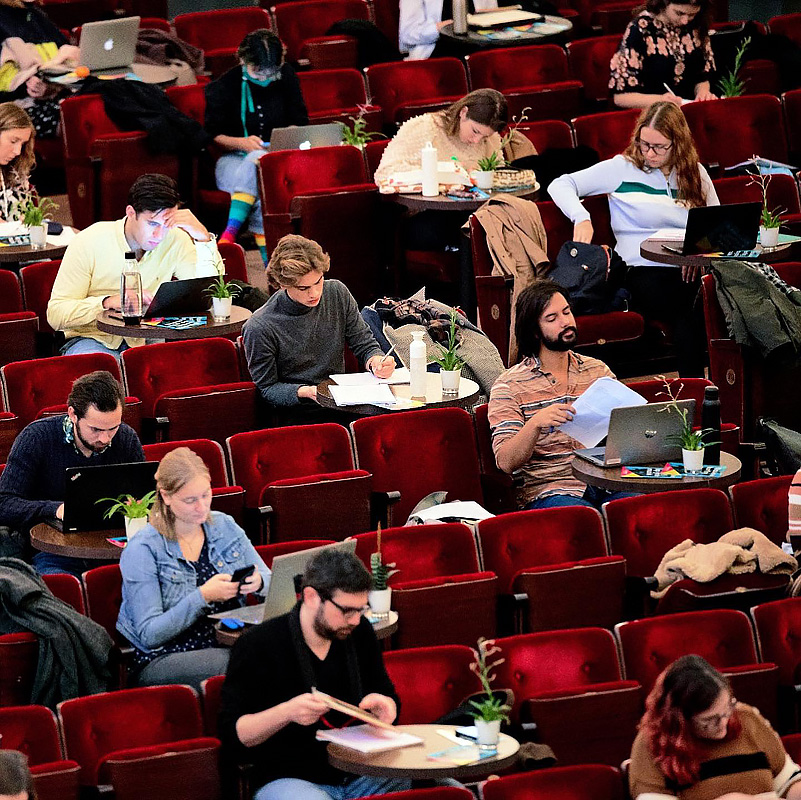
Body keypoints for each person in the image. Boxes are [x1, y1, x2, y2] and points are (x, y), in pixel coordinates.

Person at [219, 547, 411, 800]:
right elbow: (236, 736)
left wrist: (387, 708)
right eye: (347, 610)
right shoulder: (257, 645)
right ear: (311, 597)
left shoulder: (360, 631)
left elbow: (385, 693)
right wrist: (287, 712)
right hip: (290, 776)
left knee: (417, 778)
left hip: (359, 769)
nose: (355, 620)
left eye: (361, 609)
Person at [547, 100, 718, 376]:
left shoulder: (695, 174)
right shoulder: (622, 168)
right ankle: (697, 387)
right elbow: (561, 184)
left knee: (711, 293)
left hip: (687, 268)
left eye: (659, 147)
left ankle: (714, 385)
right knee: (688, 301)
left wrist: (698, 254)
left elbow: (715, 225)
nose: (649, 152)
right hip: (640, 268)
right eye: (644, 144)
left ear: (678, 144)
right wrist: (581, 216)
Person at [117, 447, 270, 693]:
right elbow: (149, 634)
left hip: (227, 638)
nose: (201, 507)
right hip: (165, 655)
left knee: (286, 648)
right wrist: (203, 597)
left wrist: (259, 582)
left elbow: (271, 581)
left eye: (206, 495)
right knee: (252, 661)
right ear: (166, 496)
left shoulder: (224, 525)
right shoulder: (143, 548)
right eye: (190, 500)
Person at [488, 280, 637, 510]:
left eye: (567, 312)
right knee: (581, 516)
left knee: (642, 506)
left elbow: (629, 433)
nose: (566, 322)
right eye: (552, 318)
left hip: (606, 479)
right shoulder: (508, 385)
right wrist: (535, 425)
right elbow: (506, 462)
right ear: (534, 331)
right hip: (550, 489)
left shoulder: (598, 371)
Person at [47, 173, 221, 359]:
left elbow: (212, 297)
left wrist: (203, 238)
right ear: (130, 212)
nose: (159, 235)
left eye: (166, 225)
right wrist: (106, 302)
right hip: (91, 337)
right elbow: (56, 315)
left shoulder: (176, 239)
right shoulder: (89, 240)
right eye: (152, 223)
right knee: (106, 371)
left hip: (148, 337)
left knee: (190, 366)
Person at [0, 370, 144, 576]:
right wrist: (55, 509)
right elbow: (4, 502)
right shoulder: (36, 438)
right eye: (95, 429)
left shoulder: (126, 438)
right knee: (58, 584)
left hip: (115, 548)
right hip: (54, 552)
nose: (105, 439)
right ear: (73, 415)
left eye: (113, 428)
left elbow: (143, 497)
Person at [242, 234, 394, 426]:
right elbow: (268, 389)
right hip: (298, 412)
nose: (314, 293)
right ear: (283, 284)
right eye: (303, 288)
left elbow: (364, 344)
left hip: (343, 403)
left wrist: (376, 361)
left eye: (319, 281)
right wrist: (307, 391)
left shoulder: (337, 292)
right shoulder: (259, 326)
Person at [629, 654, 801, 800]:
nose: (723, 723)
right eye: (709, 720)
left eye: (728, 709)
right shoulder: (652, 743)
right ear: (680, 720)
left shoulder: (747, 718)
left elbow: (788, 781)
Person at [204, 29, 308, 266]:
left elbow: (300, 121)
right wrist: (241, 142)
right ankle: (268, 262)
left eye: (271, 73)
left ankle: (230, 235)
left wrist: (284, 138)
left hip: (277, 161)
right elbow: (211, 134)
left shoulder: (287, 77)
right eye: (258, 73)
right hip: (232, 162)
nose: (264, 78)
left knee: (263, 178)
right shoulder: (224, 86)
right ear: (243, 61)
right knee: (263, 181)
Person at [609, 0, 716, 109]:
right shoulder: (640, 29)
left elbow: (702, 75)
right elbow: (620, 97)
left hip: (689, 109)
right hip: (653, 113)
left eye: (691, 15)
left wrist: (702, 93)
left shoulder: (696, 24)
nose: (685, 21)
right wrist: (660, 100)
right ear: (664, 3)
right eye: (679, 13)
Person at [0, 0, 78, 137]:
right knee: (76, 117)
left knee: (103, 101)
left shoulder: (34, 13)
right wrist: (28, 87)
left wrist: (52, 84)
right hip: (15, 107)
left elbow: (67, 55)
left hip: (57, 92)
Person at [0, 102, 34, 221]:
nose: (18, 151)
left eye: (23, 144)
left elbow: (28, 219)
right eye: (13, 141)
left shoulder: (15, 171)